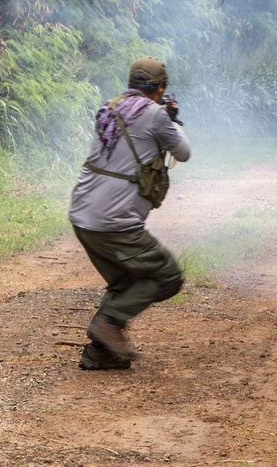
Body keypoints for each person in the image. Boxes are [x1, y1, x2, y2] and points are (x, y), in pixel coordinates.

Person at [69, 56, 191, 370]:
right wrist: (172, 118)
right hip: (114, 222)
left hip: (82, 213)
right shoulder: (155, 115)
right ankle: (107, 323)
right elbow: (184, 152)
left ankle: (101, 351)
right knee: (167, 277)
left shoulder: (108, 107)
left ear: (131, 84)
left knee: (127, 280)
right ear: (160, 89)